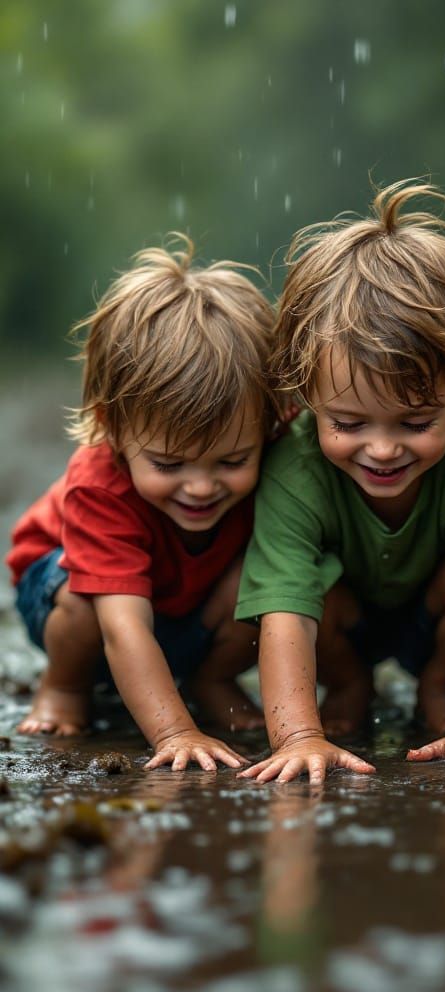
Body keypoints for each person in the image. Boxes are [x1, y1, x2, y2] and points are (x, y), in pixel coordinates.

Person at [235, 180, 445, 783]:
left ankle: (437, 688)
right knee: (306, 590)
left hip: (434, 617)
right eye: (347, 423)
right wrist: (297, 738)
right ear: (305, 395)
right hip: (343, 622)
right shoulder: (295, 466)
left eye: (415, 422)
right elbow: (285, 612)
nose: (382, 448)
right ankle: (351, 688)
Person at [7, 236, 276, 771]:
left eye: (230, 462)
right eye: (170, 465)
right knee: (86, 600)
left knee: (276, 573)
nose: (200, 487)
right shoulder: (100, 483)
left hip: (191, 601)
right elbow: (123, 626)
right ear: (112, 427)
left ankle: (211, 678)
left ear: (273, 423)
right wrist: (175, 733)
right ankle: (63, 685)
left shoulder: (279, 446)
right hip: (76, 604)